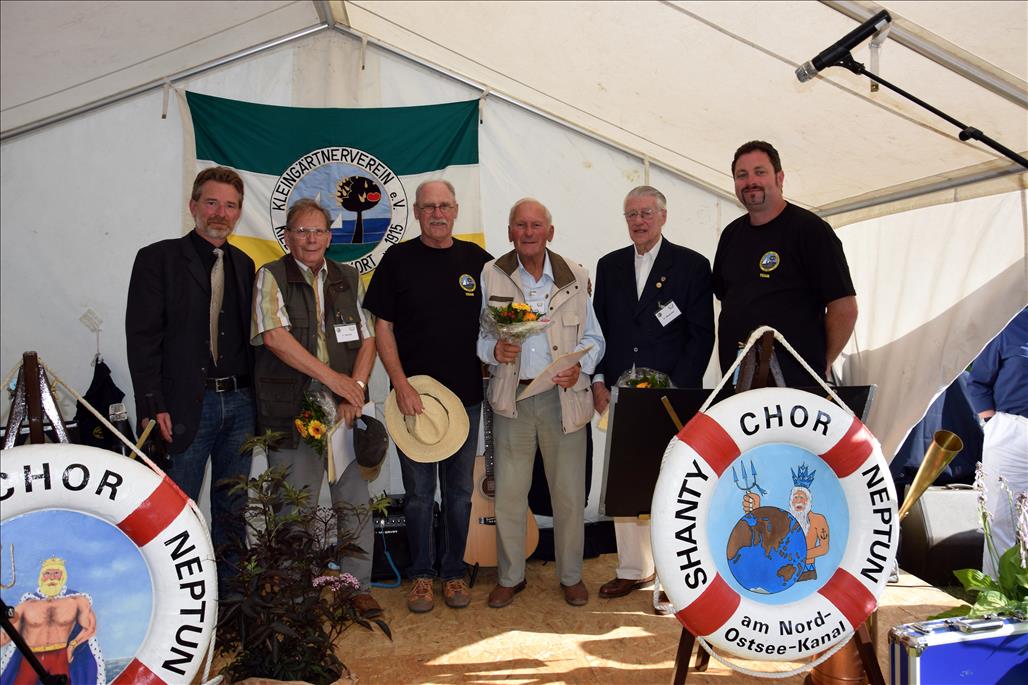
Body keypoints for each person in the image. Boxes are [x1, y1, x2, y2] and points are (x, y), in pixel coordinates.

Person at [363, 180, 492, 613]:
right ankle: (420, 575)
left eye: (444, 206)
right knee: (418, 494)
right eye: (428, 207)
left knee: (459, 493)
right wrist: (399, 385)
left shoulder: (478, 261)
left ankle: (453, 573)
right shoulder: (397, 260)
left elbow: (504, 314)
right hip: (413, 400)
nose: (437, 214)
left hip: (466, 401)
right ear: (416, 213)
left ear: (455, 210)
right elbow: (382, 327)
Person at [126, 166, 255, 596]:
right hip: (183, 407)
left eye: (230, 205)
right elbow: (142, 338)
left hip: (240, 403)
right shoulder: (157, 259)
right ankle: (177, 597)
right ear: (193, 205)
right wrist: (152, 404)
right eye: (212, 202)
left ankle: (231, 598)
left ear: (239, 213)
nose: (220, 213)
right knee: (176, 509)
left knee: (233, 508)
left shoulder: (245, 264)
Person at [251, 197, 381, 618]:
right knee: (295, 505)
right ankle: (295, 594)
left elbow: (368, 338)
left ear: (329, 236)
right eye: (302, 231)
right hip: (292, 407)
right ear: (287, 236)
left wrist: (354, 388)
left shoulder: (349, 276)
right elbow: (275, 338)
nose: (310, 239)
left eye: (318, 231)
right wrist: (334, 380)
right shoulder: (270, 275)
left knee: (354, 502)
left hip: (345, 408)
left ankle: (356, 588)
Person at [477, 198, 605, 609]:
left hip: (562, 398)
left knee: (568, 495)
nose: (528, 232)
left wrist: (579, 366)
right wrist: (494, 351)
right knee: (509, 496)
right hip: (512, 398)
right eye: (520, 225)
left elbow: (595, 340)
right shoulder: (492, 274)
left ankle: (571, 576)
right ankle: (510, 577)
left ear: (550, 232)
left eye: (536, 225)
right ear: (509, 232)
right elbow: (481, 338)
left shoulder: (576, 275)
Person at [592, 185, 714, 613]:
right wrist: (599, 381)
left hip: (669, 397)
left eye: (646, 213)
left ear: (663, 216)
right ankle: (632, 569)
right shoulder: (609, 266)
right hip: (621, 395)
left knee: (670, 485)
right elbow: (599, 331)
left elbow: (701, 335)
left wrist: (677, 391)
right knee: (625, 480)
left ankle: (673, 576)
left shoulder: (692, 265)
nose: (639, 221)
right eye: (632, 214)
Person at [712, 141, 857, 387]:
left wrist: (820, 364)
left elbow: (845, 309)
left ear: (779, 178)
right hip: (739, 385)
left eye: (760, 172)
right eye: (742, 175)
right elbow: (727, 299)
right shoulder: (731, 234)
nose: (750, 181)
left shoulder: (810, 230)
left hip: (795, 386)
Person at [966, 307, 1028, 579]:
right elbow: (978, 382)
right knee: (1000, 516)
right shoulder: (1010, 323)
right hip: (1011, 431)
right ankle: (999, 591)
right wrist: (992, 423)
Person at [0, 557, 103, 685]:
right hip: (31, 658)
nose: (52, 577)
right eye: (47, 573)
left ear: (63, 575)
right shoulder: (25, 606)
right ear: (41, 577)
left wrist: (72, 645)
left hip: (59, 657)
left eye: (56, 573)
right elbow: (6, 635)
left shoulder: (76, 601)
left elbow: (90, 627)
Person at [742, 464, 830, 581]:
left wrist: (797, 558)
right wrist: (757, 510)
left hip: (807, 573)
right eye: (795, 497)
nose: (798, 501)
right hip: (783, 574)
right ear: (791, 501)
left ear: (808, 501)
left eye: (802, 497)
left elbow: (824, 548)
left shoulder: (818, 520)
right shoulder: (784, 520)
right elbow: (768, 535)